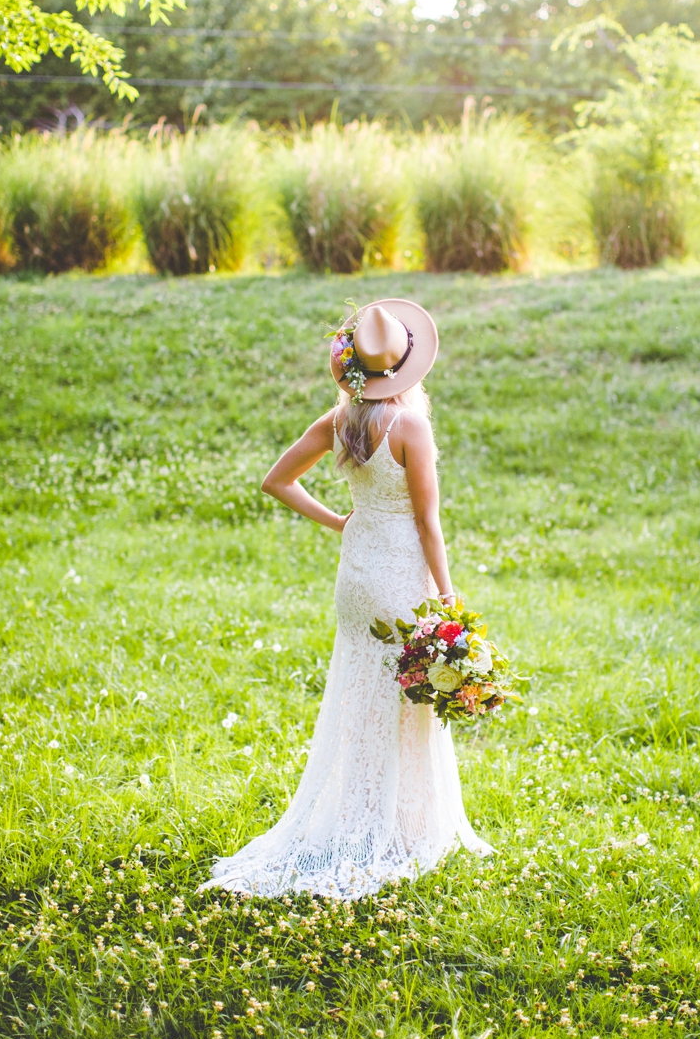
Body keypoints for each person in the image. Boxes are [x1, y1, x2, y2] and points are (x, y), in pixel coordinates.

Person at [203, 298, 490, 899]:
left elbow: (276, 481)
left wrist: (340, 521)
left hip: (358, 576)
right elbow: (428, 522)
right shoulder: (411, 426)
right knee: (405, 694)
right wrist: (447, 594)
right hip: (402, 575)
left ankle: (366, 812)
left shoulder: (340, 423)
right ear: (405, 365)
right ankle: (401, 827)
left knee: (361, 690)